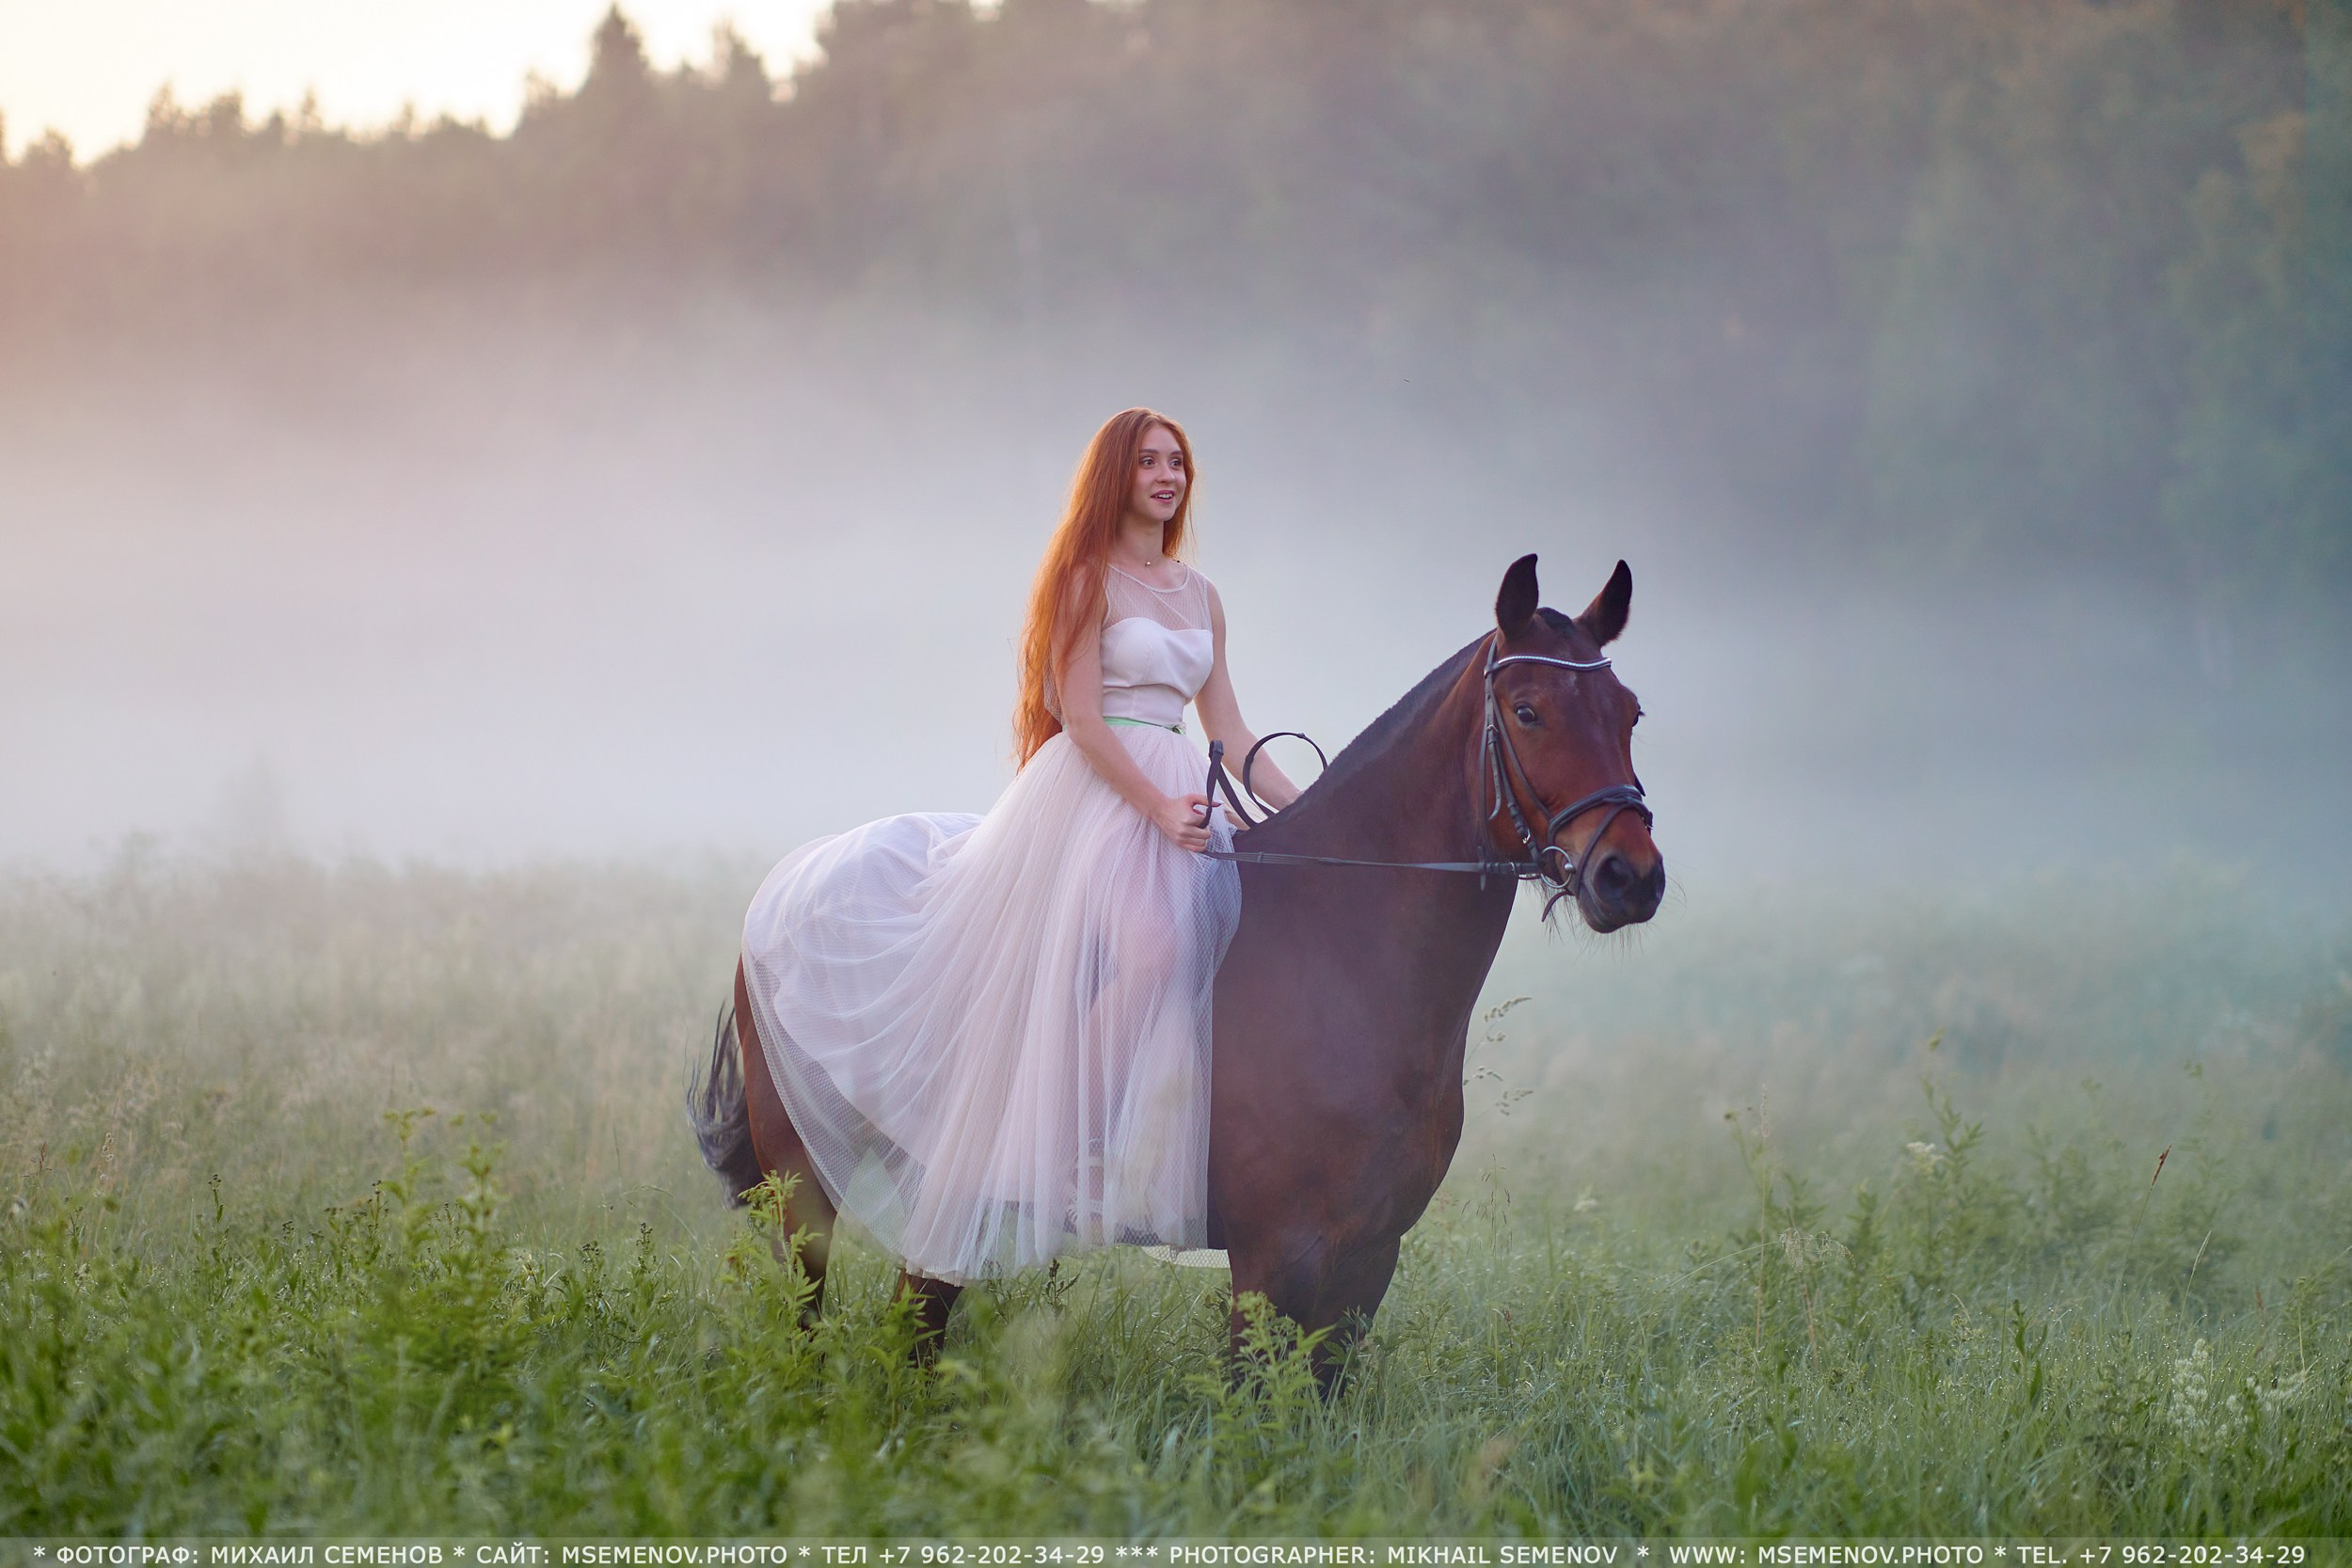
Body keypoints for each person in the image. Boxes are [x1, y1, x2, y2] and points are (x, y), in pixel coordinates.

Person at [739, 408, 1302, 1287]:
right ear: (1116, 476)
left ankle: (1168, 1140)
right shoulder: (1087, 579)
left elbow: (1228, 724)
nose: (1167, 476)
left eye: (1177, 462)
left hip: (1178, 786)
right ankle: (1064, 1150)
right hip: (1098, 792)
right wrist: (1158, 806)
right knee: (1155, 953)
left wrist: (1307, 806)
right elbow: (1081, 717)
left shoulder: (1201, 595)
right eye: (1148, 462)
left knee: (1224, 954)